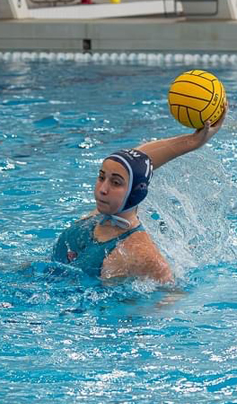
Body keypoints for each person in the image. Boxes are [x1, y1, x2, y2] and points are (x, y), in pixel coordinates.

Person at [52, 107, 227, 284]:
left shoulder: (141, 254)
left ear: (136, 191)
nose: (102, 189)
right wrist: (193, 141)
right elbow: (140, 160)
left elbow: (170, 299)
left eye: (116, 182)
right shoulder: (95, 219)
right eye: (101, 177)